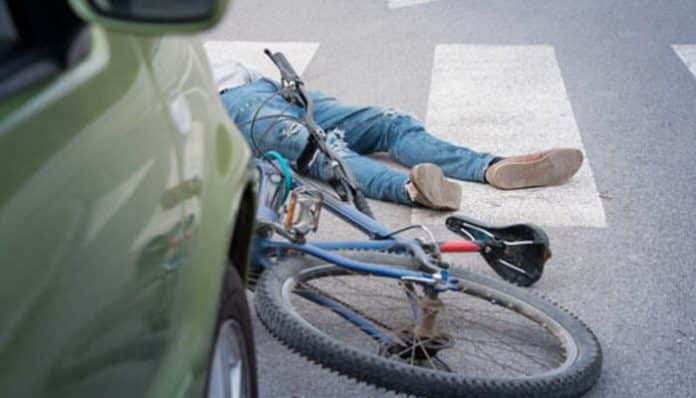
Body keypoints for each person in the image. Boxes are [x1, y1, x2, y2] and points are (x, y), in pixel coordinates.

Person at [214, 61, 583, 210]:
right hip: (235, 105)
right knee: (326, 150)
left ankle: (491, 167)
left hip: (276, 91)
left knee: (388, 121)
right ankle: (413, 189)